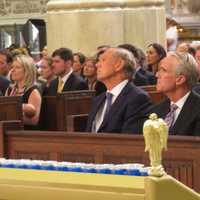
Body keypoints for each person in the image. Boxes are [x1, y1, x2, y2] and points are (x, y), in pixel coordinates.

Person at [86, 47, 152, 134]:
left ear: (119, 65)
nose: (97, 65)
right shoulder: (98, 100)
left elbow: (129, 140)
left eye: (103, 60)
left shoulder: (137, 98)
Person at [149, 52, 200, 136]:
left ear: (180, 79)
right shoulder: (156, 109)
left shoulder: (197, 109)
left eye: (163, 70)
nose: (157, 74)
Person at [6, 54, 42, 129]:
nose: (12, 70)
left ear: (27, 71)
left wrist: (11, 116)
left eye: (17, 67)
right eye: (12, 67)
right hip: (10, 130)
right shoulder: (9, 89)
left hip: (27, 134)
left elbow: (33, 121)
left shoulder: (33, 91)